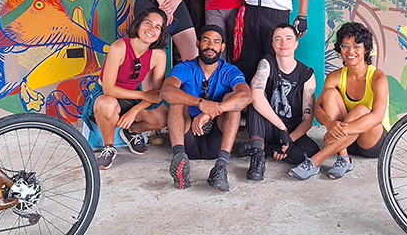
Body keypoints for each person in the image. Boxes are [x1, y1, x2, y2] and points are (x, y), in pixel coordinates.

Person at [290, 21, 390, 181]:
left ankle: (315, 161)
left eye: (357, 46)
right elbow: (318, 108)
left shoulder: (377, 77)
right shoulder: (335, 76)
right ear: (340, 49)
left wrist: (340, 132)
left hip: (372, 142)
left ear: (366, 49)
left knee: (362, 110)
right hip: (346, 143)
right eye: (345, 46)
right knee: (329, 94)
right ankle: (344, 159)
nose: (351, 51)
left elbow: (377, 117)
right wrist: (330, 124)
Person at [161, 25, 252, 192]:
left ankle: (221, 167)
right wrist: (200, 103)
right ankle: (179, 159)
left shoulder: (229, 71)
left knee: (232, 100)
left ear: (222, 47)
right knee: (176, 97)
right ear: (197, 43)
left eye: (216, 42)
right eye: (206, 40)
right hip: (188, 138)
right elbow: (166, 91)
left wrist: (212, 111)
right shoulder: (185, 67)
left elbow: (247, 96)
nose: (210, 45)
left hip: (217, 142)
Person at [85, 7, 170, 170]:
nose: (151, 29)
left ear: (161, 33)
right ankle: (109, 147)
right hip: (106, 95)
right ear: (138, 24)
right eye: (148, 23)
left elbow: (155, 94)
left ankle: (131, 132)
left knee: (163, 117)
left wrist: (134, 111)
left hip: (131, 98)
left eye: (157, 27)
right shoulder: (119, 47)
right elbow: (109, 89)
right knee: (107, 104)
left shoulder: (159, 55)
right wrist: (143, 95)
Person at [242, 23, 320, 181]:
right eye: (278, 39)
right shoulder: (267, 63)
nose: (284, 43)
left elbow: (308, 120)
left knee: (312, 152)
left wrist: (288, 140)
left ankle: (265, 149)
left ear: (296, 44)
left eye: (289, 38)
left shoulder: (306, 74)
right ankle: (257, 157)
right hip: (267, 125)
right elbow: (256, 96)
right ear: (273, 44)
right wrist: (281, 128)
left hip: (290, 130)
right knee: (255, 100)